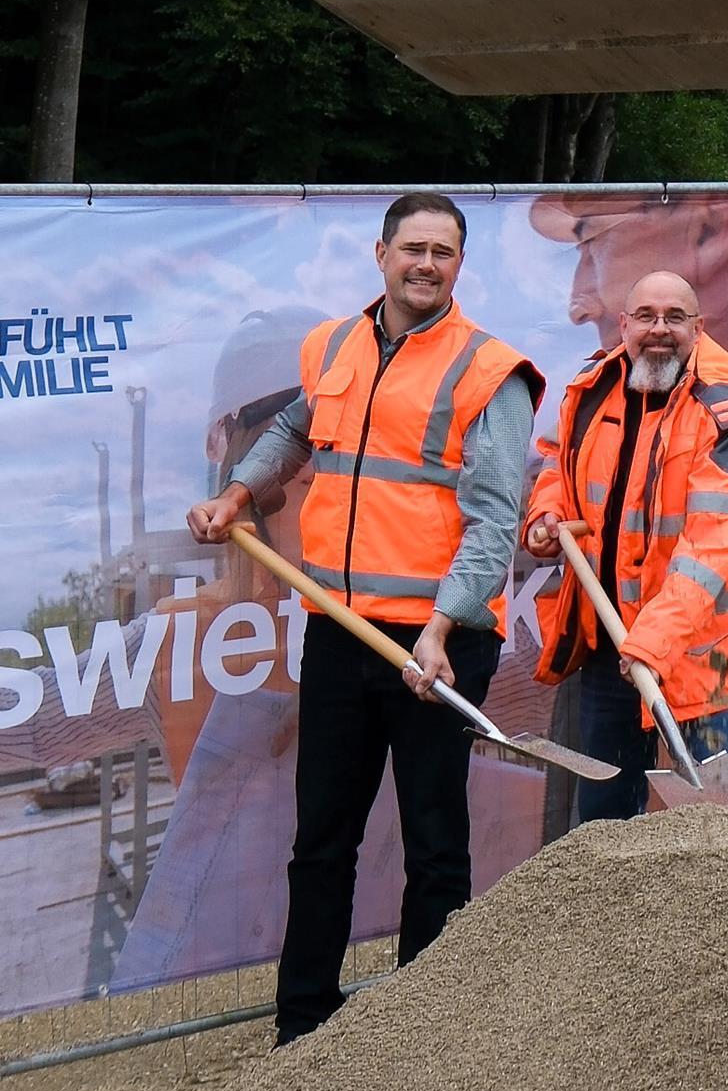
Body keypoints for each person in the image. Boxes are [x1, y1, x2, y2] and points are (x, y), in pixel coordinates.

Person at [186, 192, 539, 1045]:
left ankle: (420, 1039)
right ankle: (303, 1025)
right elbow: (297, 433)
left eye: (443, 252)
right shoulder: (335, 345)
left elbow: (495, 519)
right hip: (342, 632)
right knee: (323, 839)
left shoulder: (489, 371)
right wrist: (241, 489)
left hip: (439, 646)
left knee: (433, 843)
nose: (426, 264)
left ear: (460, 265)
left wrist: (445, 628)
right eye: (412, 247)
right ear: (380, 254)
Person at [522, 270, 728, 819]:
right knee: (606, 830)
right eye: (646, 317)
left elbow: (714, 543)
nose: (659, 330)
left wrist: (652, 642)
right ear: (624, 324)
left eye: (674, 318)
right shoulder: (592, 389)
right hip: (613, 650)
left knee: (724, 842)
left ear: (698, 327)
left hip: (711, 660)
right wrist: (550, 514)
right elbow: (556, 459)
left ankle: (725, 909)